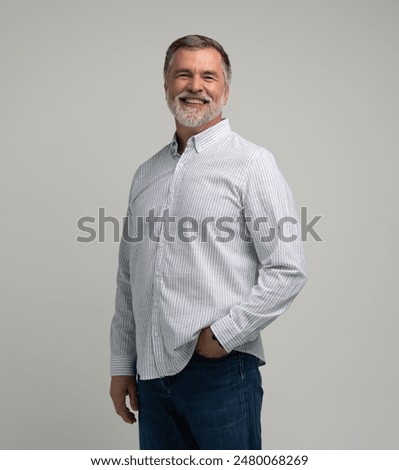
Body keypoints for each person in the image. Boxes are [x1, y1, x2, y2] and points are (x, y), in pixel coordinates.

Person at [110, 34, 307, 450]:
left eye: (208, 76)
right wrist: (122, 364)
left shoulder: (252, 163)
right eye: (183, 74)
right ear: (166, 85)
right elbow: (129, 279)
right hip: (151, 377)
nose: (195, 85)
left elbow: (287, 268)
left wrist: (224, 334)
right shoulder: (146, 174)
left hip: (219, 373)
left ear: (225, 90)